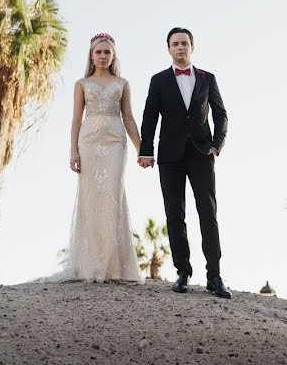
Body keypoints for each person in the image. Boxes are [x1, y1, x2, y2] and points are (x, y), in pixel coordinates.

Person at [138, 27, 230, 298]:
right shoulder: (159, 80)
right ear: (169, 48)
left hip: (201, 154)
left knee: (207, 213)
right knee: (175, 214)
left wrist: (217, 145)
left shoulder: (207, 78)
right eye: (175, 44)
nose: (180, 47)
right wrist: (147, 150)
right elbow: (149, 117)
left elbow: (221, 114)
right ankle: (183, 272)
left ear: (192, 47)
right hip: (169, 157)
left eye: (184, 43)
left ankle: (214, 276)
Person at [60, 32, 142, 282]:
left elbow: (128, 117)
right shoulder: (81, 84)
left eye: (107, 52)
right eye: (99, 52)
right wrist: (73, 150)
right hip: (88, 143)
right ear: (92, 55)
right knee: (91, 197)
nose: (103, 56)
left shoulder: (123, 83)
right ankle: (91, 264)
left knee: (112, 195)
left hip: (116, 141)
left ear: (113, 55)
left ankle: (114, 267)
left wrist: (142, 149)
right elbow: (76, 119)